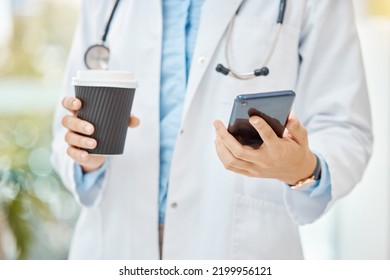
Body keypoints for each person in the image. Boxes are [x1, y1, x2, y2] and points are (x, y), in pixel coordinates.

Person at [51, 0, 373, 260]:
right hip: (114, 243)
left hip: (237, 248)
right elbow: (67, 122)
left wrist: (302, 169)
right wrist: (85, 158)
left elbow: (344, 126)